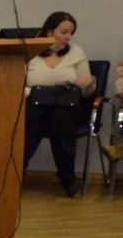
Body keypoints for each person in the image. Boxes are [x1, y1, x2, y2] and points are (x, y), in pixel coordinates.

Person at [24, 11, 96, 197]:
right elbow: (18, 86)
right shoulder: (31, 52)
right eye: (64, 32)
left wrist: (88, 83)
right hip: (35, 104)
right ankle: (15, 173)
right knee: (33, 118)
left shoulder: (76, 52)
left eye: (71, 33)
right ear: (49, 32)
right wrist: (39, 92)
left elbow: (86, 91)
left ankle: (67, 178)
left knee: (60, 117)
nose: (68, 37)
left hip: (66, 106)